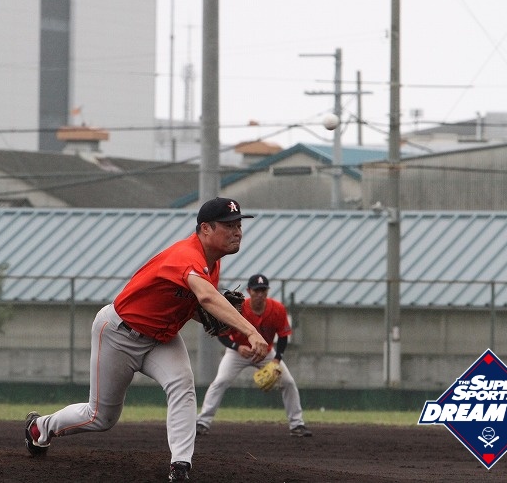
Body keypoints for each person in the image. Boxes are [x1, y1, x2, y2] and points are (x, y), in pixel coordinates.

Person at [24, 197, 269, 482]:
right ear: (205, 228)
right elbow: (205, 297)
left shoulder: (211, 266)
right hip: (119, 334)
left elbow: (192, 304)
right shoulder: (185, 255)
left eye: (238, 225)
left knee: (182, 386)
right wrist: (251, 331)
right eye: (229, 225)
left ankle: (180, 465)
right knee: (100, 417)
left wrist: (208, 317)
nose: (237, 231)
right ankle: (40, 428)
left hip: (162, 338)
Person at [195, 273, 312, 438]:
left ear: (267, 291)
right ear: (249, 291)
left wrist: (277, 360)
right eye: (256, 290)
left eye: (263, 290)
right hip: (238, 352)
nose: (260, 294)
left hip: (266, 353)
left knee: (288, 382)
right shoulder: (239, 308)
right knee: (220, 381)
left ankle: (297, 424)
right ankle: (202, 422)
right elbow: (222, 335)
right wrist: (237, 347)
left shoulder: (277, 309)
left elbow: (283, 336)